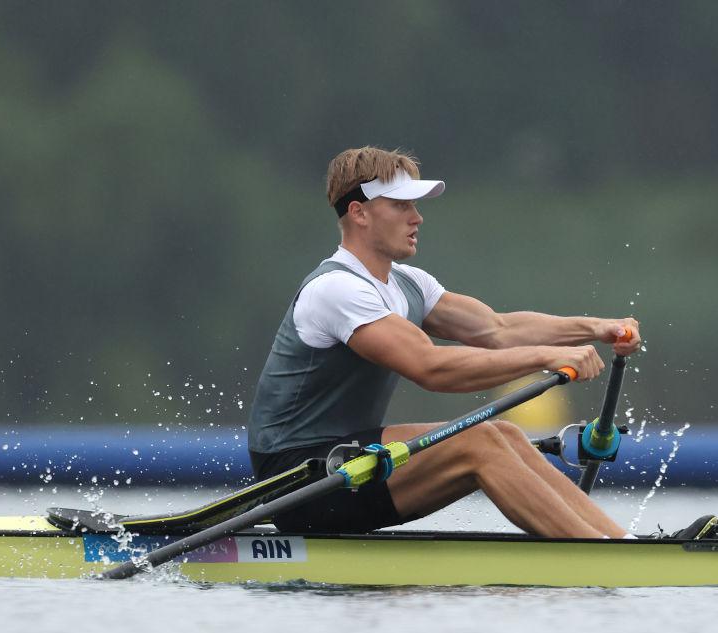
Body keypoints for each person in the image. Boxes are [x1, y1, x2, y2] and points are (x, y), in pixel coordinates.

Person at [248, 146, 642, 538]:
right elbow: (431, 368)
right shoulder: (336, 289)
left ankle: (621, 543)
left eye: (415, 205)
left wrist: (597, 328)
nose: (417, 217)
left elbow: (498, 329)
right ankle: (600, 555)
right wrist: (547, 357)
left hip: (349, 462)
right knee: (480, 441)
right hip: (299, 479)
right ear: (359, 213)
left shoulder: (409, 282)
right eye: (401, 205)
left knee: (505, 434)